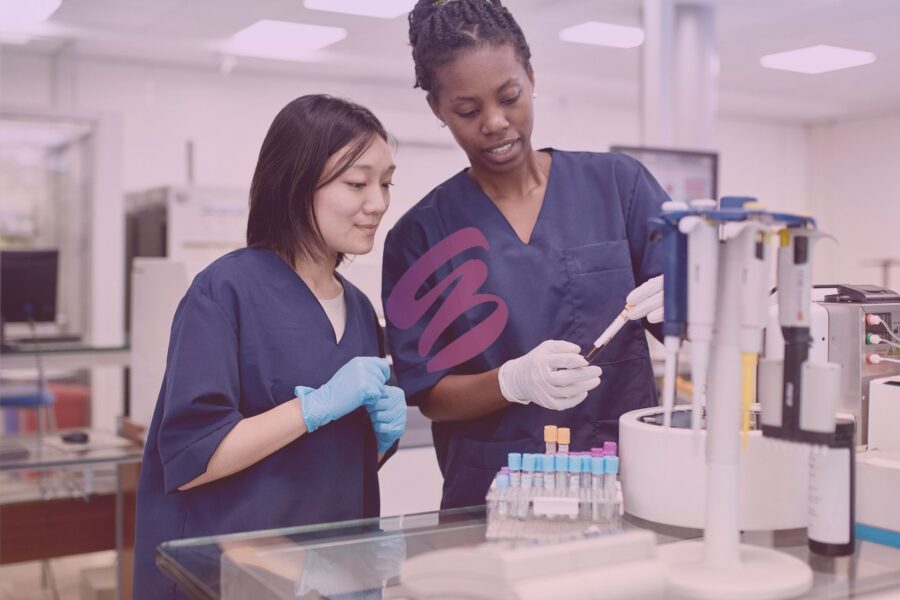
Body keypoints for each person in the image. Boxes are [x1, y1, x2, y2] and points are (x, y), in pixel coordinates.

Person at [381, 0, 668, 510]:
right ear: (437, 110)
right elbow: (430, 394)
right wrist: (512, 382)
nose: (494, 123)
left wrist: (692, 303)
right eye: (467, 111)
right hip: (495, 493)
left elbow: (691, 323)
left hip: (621, 481)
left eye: (509, 97)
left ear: (530, 77)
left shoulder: (617, 187)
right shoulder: (421, 235)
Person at [134, 94, 407, 599]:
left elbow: (334, 464)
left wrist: (380, 440)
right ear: (296, 184)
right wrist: (314, 407)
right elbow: (193, 458)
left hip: (334, 566)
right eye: (357, 183)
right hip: (239, 574)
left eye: (386, 183)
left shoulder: (363, 310)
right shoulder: (224, 292)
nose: (379, 203)